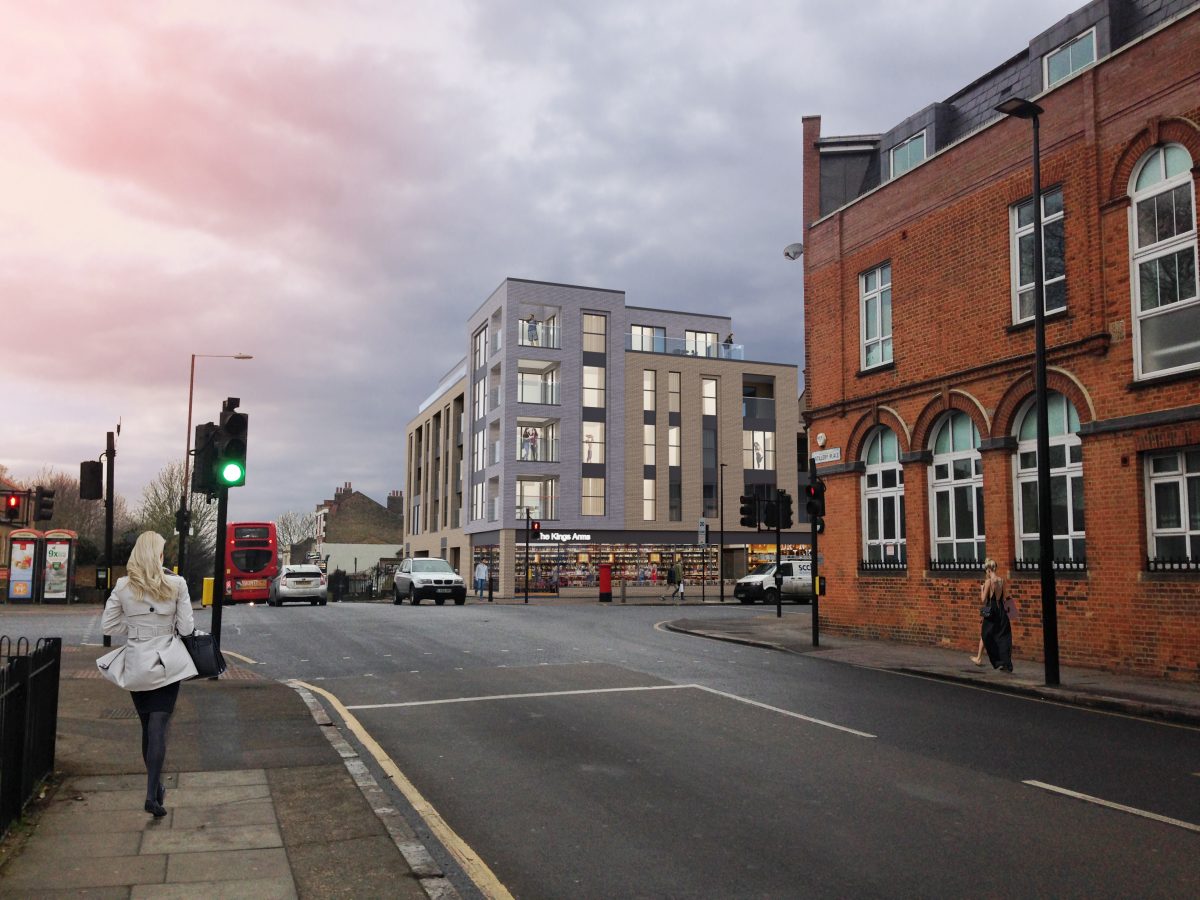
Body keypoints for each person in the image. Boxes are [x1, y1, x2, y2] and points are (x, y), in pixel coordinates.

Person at [100, 531, 198, 817]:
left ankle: (155, 791)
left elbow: (109, 625)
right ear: (158, 555)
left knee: (147, 727)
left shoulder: (123, 586)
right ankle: (151, 793)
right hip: (167, 663)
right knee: (159, 724)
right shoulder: (176, 584)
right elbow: (187, 628)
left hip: (137, 663)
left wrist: (136, 628)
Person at [972, 558, 1016, 671]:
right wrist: (1012, 613)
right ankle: (1005, 663)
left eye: (986, 570)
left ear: (988, 570)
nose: (986, 573)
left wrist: (981, 589)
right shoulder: (1002, 580)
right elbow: (1006, 597)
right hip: (1000, 608)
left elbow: (983, 600)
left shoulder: (988, 582)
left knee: (984, 632)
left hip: (989, 607)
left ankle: (981, 658)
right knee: (1002, 635)